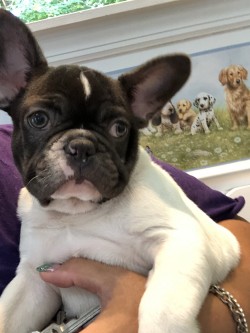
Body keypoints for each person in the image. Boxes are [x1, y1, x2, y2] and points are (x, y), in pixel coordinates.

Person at [0, 124, 249, 332]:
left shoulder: (138, 176)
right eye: (40, 121)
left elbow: (229, 234)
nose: (77, 149)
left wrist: (167, 319)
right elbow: (37, 281)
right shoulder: (32, 200)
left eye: (117, 128)